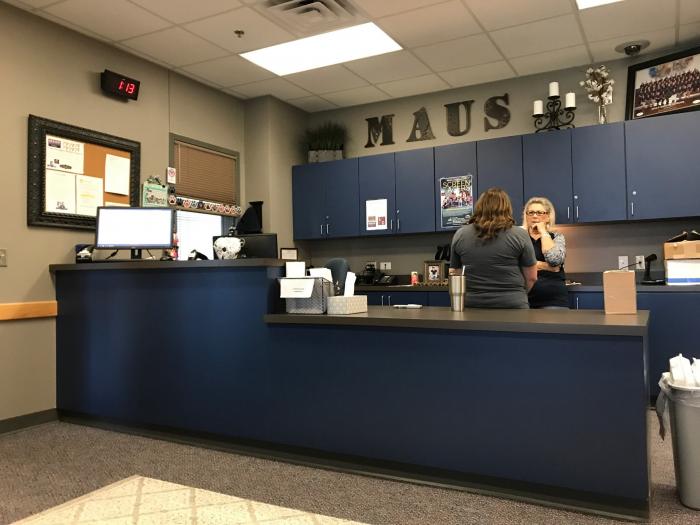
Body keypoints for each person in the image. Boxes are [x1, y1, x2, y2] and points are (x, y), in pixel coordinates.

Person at [449, 188, 537, 309]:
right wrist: (517, 295)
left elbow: (456, 273)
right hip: (512, 304)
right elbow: (532, 277)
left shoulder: (461, 234)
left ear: (479, 207)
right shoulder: (520, 235)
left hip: (473, 305)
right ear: (507, 208)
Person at [522, 196, 568, 309]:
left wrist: (543, 231)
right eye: (531, 212)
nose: (534, 216)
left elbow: (554, 260)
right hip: (523, 299)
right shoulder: (519, 237)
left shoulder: (556, 237)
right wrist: (546, 266)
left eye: (539, 212)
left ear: (548, 217)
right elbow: (514, 265)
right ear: (526, 216)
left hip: (553, 300)